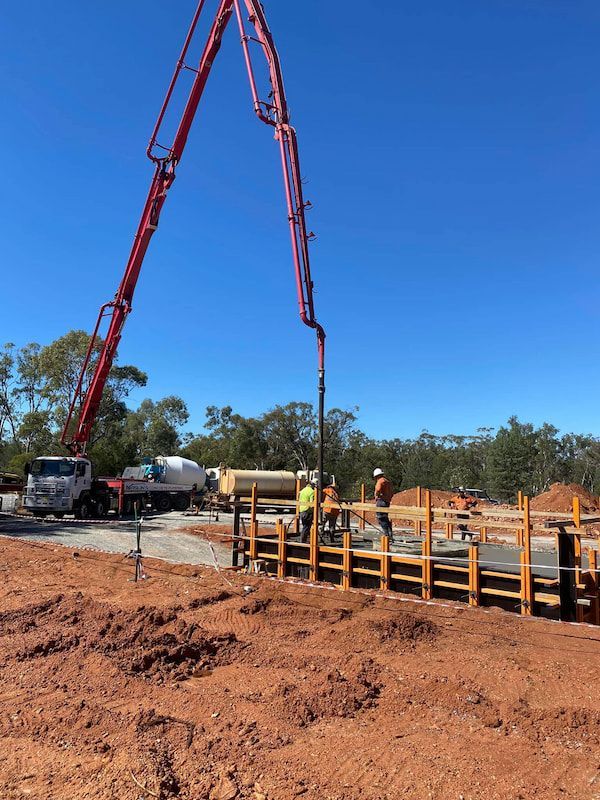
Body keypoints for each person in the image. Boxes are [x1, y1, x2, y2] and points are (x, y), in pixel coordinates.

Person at [373, 468, 394, 539]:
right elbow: (391, 493)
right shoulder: (387, 481)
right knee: (385, 518)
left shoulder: (380, 481)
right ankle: (389, 534)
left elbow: (378, 489)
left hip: (381, 501)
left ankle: (386, 534)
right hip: (386, 502)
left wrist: (377, 495)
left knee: (381, 518)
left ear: (376, 476)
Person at [298, 478, 317, 543]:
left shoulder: (303, 490)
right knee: (306, 527)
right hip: (308, 511)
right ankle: (302, 541)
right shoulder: (312, 491)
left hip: (301, 510)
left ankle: (305, 540)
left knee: (305, 526)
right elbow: (312, 504)